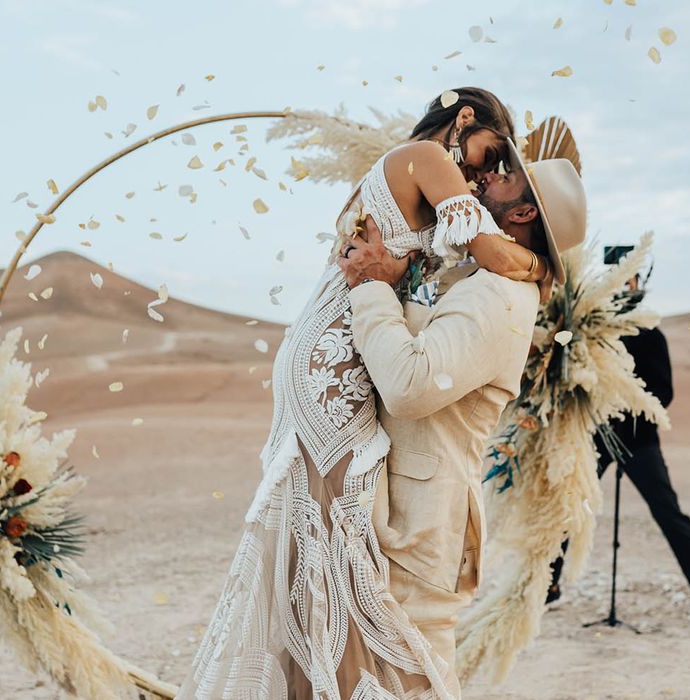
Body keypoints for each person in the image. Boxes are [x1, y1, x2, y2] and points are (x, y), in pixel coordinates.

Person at [174, 87, 568, 700]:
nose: (487, 173)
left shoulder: (471, 249)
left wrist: (530, 268)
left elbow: (417, 361)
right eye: (495, 156)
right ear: (463, 120)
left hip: (359, 414)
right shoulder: (433, 183)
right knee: (330, 569)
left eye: (502, 169)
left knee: (363, 602)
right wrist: (535, 268)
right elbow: (476, 257)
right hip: (339, 377)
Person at [337, 137, 587, 697]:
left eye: (504, 176)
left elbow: (408, 386)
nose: (485, 177)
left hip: (424, 521)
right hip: (404, 509)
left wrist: (374, 289)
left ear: (521, 212)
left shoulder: (499, 296)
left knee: (415, 678)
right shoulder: (480, 277)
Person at [545, 250, 690, 622]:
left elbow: (663, 394)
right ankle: (547, 584)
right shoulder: (595, 333)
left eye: (627, 279)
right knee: (569, 507)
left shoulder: (650, 333)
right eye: (615, 278)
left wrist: (625, 410)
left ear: (637, 283)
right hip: (598, 435)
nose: (621, 286)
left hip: (639, 441)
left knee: (668, 511)